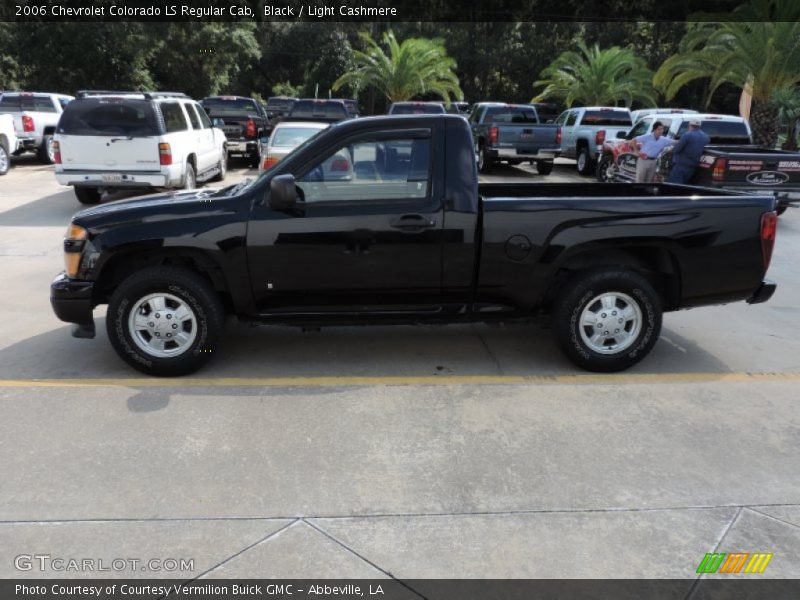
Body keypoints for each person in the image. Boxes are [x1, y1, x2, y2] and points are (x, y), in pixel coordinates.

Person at [667, 119, 710, 184]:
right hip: (693, 167)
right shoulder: (706, 137)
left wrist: (671, 149)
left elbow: (677, 149)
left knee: (674, 186)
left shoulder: (687, 135)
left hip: (680, 165)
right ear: (699, 126)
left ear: (690, 126)